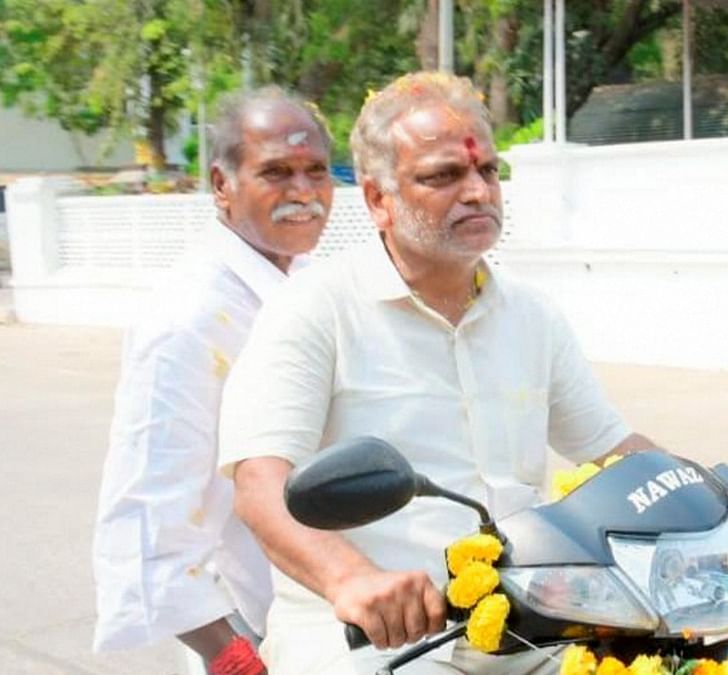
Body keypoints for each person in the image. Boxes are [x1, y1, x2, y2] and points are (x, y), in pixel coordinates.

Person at [216, 72, 657, 675]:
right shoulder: (316, 307)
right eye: (443, 176)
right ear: (378, 200)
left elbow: (613, 452)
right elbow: (260, 484)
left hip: (527, 630)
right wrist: (354, 581)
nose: (477, 191)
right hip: (370, 642)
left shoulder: (531, 314)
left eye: (488, 172)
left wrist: (721, 499)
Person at [92, 87, 335, 672]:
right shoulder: (191, 318)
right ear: (223, 185)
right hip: (256, 635)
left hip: (331, 619)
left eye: (316, 172)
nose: (302, 192)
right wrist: (236, 660)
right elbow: (150, 520)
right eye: (276, 172)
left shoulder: (311, 281)